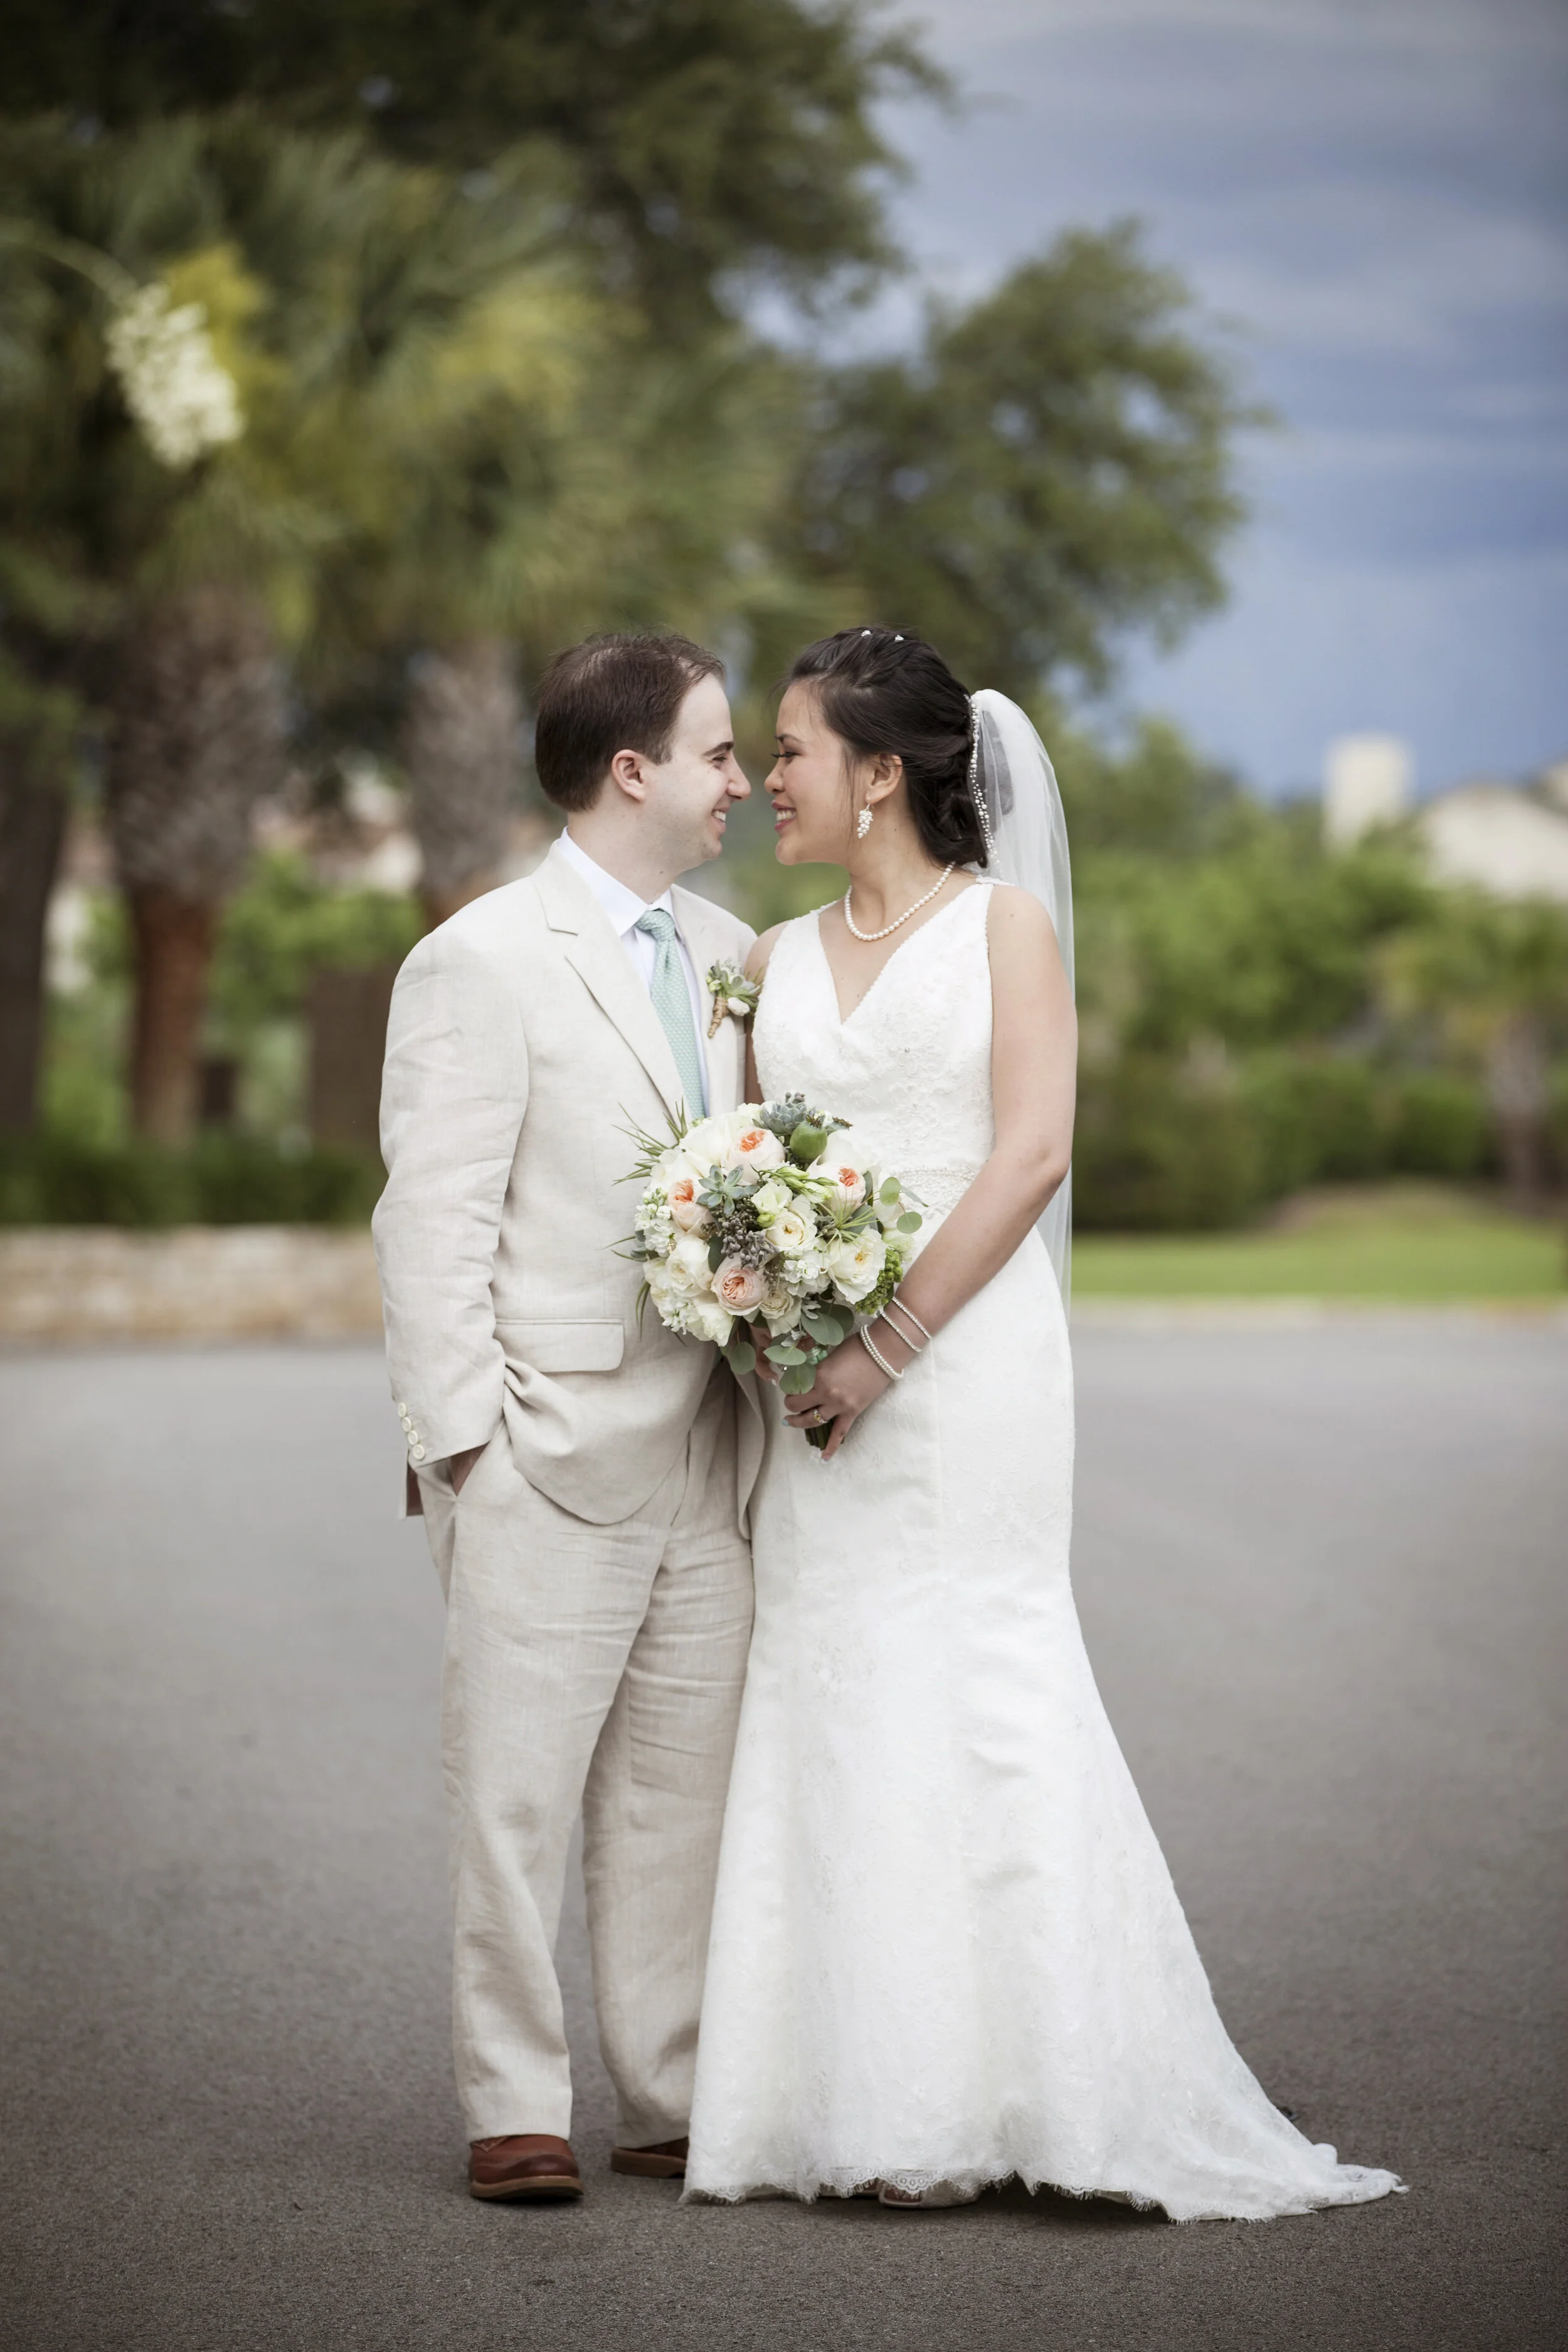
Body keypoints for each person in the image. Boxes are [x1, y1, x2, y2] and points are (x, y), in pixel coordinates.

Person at [685, 626, 1404, 2219]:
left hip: (965, 1367)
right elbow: (735, 1165)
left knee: (986, 1673)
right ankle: (860, 2086)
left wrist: (884, 1343)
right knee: (835, 1680)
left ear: (880, 774)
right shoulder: (770, 960)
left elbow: (1027, 1155)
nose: (767, 782)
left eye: (790, 752)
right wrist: (761, 1325)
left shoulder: (1001, 929)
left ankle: (1057, 2082)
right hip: (808, 1391)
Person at [374, 632, 761, 2202]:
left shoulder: (738, 954)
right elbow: (430, 1224)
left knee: (680, 1798)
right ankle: (513, 2104)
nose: (741, 779)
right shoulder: (476, 955)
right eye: (720, 751)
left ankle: (666, 2089)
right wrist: (467, 1447)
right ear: (633, 770)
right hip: (541, 1446)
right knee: (514, 1801)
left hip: (710, 1455)